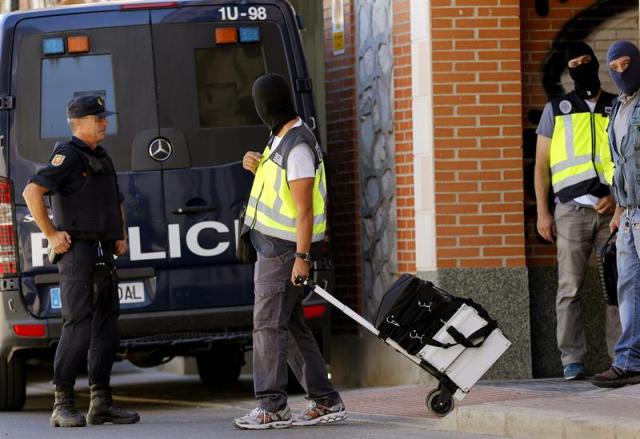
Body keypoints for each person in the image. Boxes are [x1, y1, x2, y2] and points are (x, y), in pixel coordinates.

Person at [232, 73, 346, 430]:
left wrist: (302, 258)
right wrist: (257, 164)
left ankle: (272, 406)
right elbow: (275, 190)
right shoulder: (279, 137)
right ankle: (325, 400)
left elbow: (304, 210)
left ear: (272, 104)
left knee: (267, 325)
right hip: (273, 249)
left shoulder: (297, 145)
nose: (259, 109)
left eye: (260, 103)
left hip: (284, 253)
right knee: (292, 327)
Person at [22, 95, 139, 427]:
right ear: (79, 123)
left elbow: (115, 198)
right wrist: (51, 234)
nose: (104, 123)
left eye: (104, 118)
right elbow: (32, 191)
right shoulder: (68, 155)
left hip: (102, 249)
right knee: (79, 326)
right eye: (98, 118)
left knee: (107, 326)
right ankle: (63, 403)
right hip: (77, 251)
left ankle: (101, 402)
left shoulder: (101, 156)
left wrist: (120, 234)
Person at [534, 42, 620, 380]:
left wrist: (617, 197)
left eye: (586, 61)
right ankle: (572, 359)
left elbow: (629, 158)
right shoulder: (556, 109)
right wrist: (543, 212)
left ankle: (621, 357)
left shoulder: (618, 105)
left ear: (596, 63)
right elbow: (541, 166)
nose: (581, 67)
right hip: (570, 212)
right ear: (569, 70)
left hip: (613, 212)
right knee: (569, 288)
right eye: (575, 63)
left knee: (617, 287)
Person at [591, 41, 640, 388]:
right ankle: (629, 362)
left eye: (628, 64)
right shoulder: (619, 107)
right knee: (629, 289)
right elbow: (622, 164)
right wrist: (619, 209)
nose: (622, 72)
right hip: (629, 215)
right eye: (615, 67)